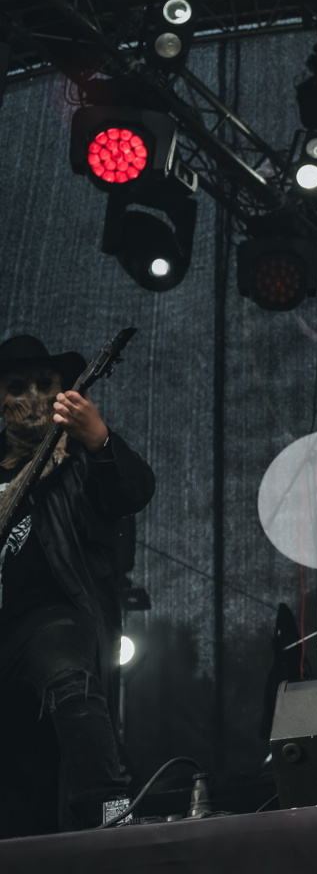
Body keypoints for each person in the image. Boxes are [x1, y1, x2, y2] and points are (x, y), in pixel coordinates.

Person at [0, 334, 154, 833]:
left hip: (52, 613)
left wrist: (99, 439)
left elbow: (134, 491)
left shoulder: (78, 461)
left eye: (44, 384)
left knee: (66, 671)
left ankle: (109, 810)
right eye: (16, 387)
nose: (32, 398)